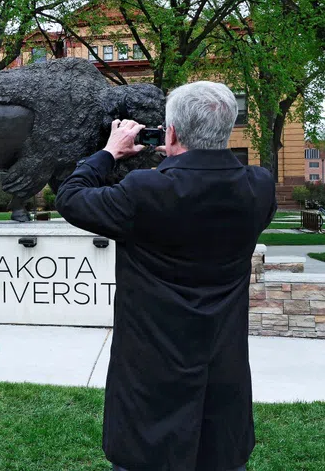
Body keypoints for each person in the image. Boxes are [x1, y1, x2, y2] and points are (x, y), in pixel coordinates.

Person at [55, 81, 276, 471]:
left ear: (170, 132)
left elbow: (71, 197)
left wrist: (109, 152)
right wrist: (177, 156)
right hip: (221, 374)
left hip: (151, 379)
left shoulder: (145, 191)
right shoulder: (258, 187)